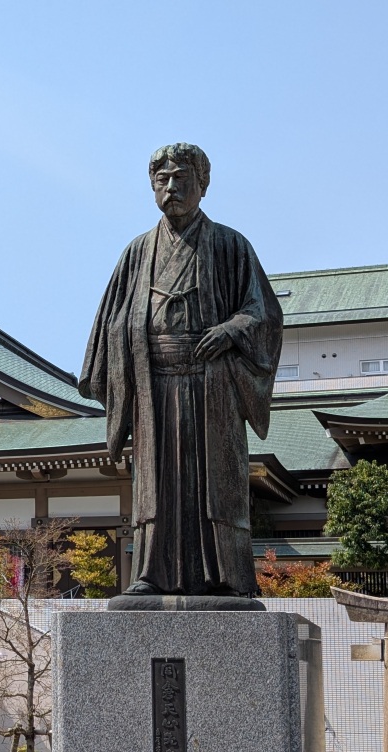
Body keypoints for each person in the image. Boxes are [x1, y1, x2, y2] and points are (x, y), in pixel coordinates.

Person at [79, 143, 282, 596]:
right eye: (162, 180)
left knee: (218, 485)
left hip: (213, 384)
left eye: (181, 179)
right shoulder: (137, 253)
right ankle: (151, 574)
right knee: (157, 488)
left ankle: (227, 577)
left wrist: (230, 331)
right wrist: (130, 346)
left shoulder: (231, 245)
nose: (171, 187)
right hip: (154, 388)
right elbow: (110, 322)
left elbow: (263, 312)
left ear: (202, 185)